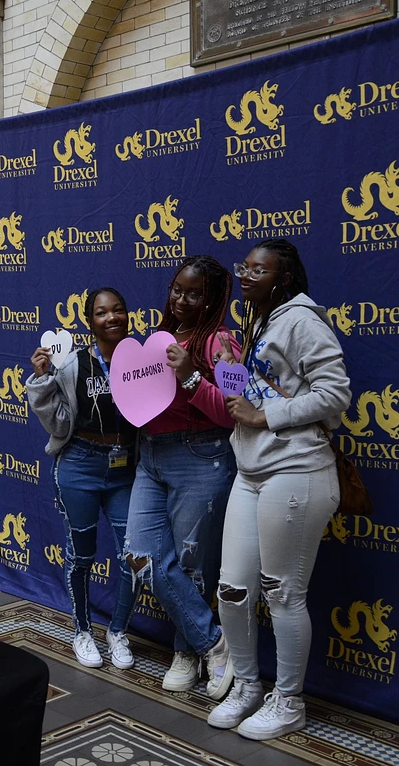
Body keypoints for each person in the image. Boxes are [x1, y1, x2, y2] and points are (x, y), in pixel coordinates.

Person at [210, 238, 351, 740]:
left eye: (258, 270)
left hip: (297, 471)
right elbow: (255, 387)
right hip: (251, 473)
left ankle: (288, 702)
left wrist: (265, 414)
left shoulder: (303, 320)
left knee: (283, 592)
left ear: (284, 278)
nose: (245, 277)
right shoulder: (260, 321)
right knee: (232, 589)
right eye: (243, 268)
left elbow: (335, 395)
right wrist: (233, 368)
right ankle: (247, 686)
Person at [123, 256, 240, 700]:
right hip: (151, 457)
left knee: (192, 566)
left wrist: (190, 374)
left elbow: (232, 412)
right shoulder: (158, 339)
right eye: (177, 289)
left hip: (200, 455)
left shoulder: (220, 341)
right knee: (140, 554)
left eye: (194, 293)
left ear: (212, 299)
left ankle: (186, 653)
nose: (181, 299)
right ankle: (213, 641)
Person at [27, 288, 140, 670]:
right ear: (89, 321)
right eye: (102, 312)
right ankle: (82, 631)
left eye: (118, 310)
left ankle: (118, 631)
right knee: (81, 556)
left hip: (125, 468)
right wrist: (43, 380)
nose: (112, 318)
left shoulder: (143, 360)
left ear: (128, 315)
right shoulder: (74, 364)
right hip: (80, 464)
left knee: (134, 556)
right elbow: (59, 422)